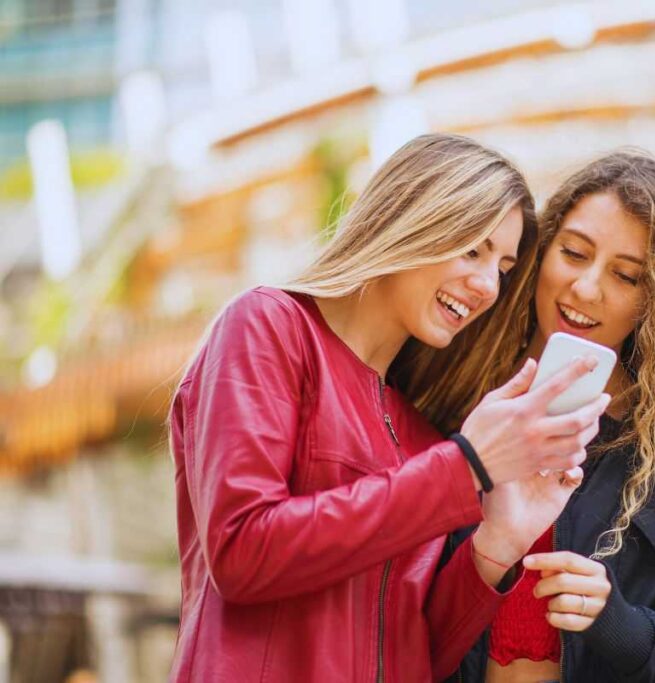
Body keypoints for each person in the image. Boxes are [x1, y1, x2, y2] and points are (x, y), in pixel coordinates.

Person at [166, 134, 610, 682]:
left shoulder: (421, 434)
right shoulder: (268, 329)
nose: (486, 285)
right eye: (472, 248)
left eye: (503, 266)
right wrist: (467, 465)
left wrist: (498, 543)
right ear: (411, 220)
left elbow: (416, 655)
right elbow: (242, 553)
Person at [404, 151, 655, 682]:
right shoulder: (449, 407)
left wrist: (624, 627)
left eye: (626, 276)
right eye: (574, 253)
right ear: (540, 252)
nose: (586, 288)